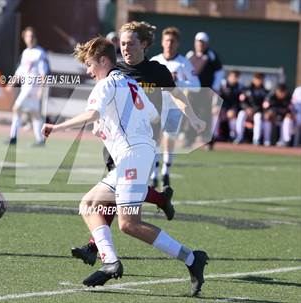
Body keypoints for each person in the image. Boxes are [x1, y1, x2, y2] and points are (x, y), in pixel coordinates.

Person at [42, 37, 209, 296]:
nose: (88, 70)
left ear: (103, 61)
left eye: (89, 64)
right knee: (89, 204)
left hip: (132, 156)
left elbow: (92, 114)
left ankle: (191, 258)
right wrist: (112, 126)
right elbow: (150, 115)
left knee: (129, 223)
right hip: (137, 154)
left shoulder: (105, 84)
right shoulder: (128, 81)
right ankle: (110, 261)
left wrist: (56, 127)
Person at [150, 26, 200, 186]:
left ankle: (166, 172)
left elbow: (197, 85)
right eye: (167, 40)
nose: (169, 44)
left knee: (170, 139)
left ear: (177, 43)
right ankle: (154, 174)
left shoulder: (184, 63)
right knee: (155, 140)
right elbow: (144, 82)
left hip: (174, 106)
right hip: (156, 106)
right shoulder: (155, 61)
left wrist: (178, 81)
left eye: (172, 41)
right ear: (162, 42)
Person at [6, 26, 50, 146]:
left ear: (35, 38)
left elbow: (43, 73)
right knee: (34, 113)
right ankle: (40, 140)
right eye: (27, 36)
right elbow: (20, 71)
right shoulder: (25, 53)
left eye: (31, 36)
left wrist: (41, 89)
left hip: (33, 87)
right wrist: (12, 83)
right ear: (24, 38)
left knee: (17, 108)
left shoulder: (40, 53)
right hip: (26, 86)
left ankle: (13, 137)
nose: (29, 39)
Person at [186, 32, 224, 149]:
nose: (200, 45)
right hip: (192, 92)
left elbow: (219, 73)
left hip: (206, 91)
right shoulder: (190, 55)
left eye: (202, 42)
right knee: (191, 115)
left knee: (206, 115)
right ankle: (189, 139)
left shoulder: (212, 56)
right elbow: (185, 72)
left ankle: (208, 141)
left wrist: (215, 88)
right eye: (198, 42)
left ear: (206, 44)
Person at [234, 73, 268, 145]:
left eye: (260, 79)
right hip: (246, 111)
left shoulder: (264, 91)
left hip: (257, 112)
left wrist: (254, 110)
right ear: (254, 79)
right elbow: (242, 102)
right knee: (241, 114)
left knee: (258, 117)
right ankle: (239, 137)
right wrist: (247, 108)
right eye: (257, 79)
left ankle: (256, 139)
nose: (258, 81)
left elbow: (264, 105)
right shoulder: (246, 89)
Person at [218, 70, 243, 141]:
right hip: (223, 108)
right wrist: (223, 109)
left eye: (236, 77)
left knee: (233, 116)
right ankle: (215, 135)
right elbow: (219, 98)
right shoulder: (223, 85)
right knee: (216, 113)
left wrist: (234, 109)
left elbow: (239, 102)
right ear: (229, 76)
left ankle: (232, 135)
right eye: (233, 76)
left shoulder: (239, 87)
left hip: (233, 109)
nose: (234, 78)